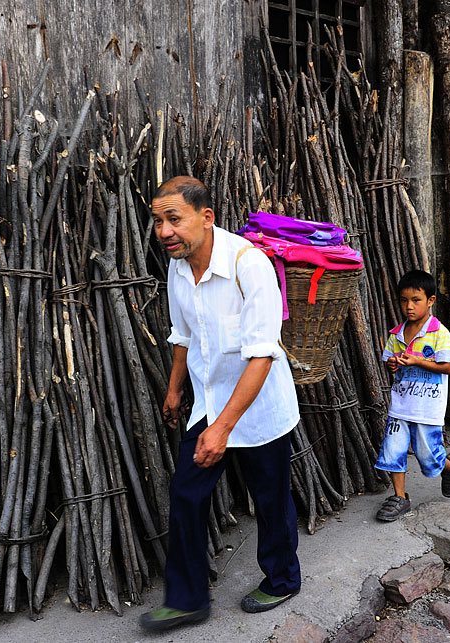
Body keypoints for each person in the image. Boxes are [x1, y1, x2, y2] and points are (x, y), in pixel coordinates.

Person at [140, 177, 301, 631]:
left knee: (270, 499)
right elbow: (183, 335)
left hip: (258, 405)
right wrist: (175, 389)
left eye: (174, 219)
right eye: (158, 221)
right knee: (187, 494)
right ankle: (188, 598)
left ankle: (284, 578)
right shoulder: (178, 267)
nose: (165, 231)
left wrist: (224, 429)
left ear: (206, 217)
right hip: (209, 403)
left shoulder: (250, 267)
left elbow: (261, 355)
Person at [374, 270, 450, 522]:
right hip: (401, 404)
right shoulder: (397, 334)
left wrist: (419, 361)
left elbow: (449, 367)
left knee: (428, 456)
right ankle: (400, 497)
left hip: (427, 407)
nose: (409, 307)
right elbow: (389, 361)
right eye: (404, 300)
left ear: (430, 300)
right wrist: (392, 364)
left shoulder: (439, 332)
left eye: (416, 300)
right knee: (392, 451)